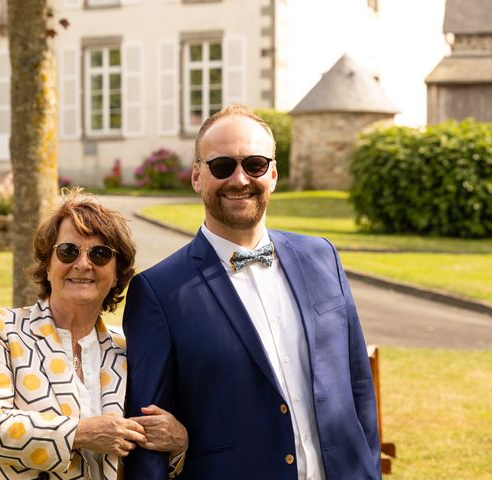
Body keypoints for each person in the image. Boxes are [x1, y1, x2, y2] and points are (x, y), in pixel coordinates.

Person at [123, 104, 381, 480]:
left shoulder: (321, 256)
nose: (240, 179)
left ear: (273, 174)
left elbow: (358, 385)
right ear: (197, 176)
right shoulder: (158, 291)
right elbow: (148, 432)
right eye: (222, 166)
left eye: (255, 164)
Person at [0, 188, 187, 480]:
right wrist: (80, 433)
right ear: (47, 265)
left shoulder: (128, 352)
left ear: (116, 274)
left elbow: (146, 456)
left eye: (100, 254)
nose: (83, 264)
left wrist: (178, 444)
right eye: (68, 251)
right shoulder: (0, 330)